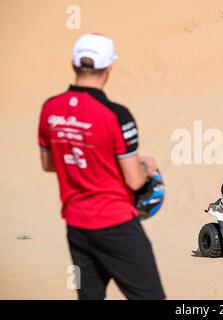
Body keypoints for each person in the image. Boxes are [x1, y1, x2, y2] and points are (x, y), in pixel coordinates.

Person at [38, 33, 165, 300]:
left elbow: (49, 164)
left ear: (73, 64)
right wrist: (148, 167)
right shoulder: (116, 114)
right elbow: (134, 180)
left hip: (76, 226)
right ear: (109, 67)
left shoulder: (50, 108)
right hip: (115, 224)